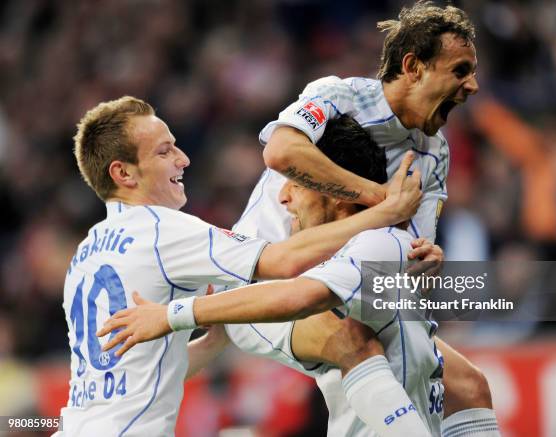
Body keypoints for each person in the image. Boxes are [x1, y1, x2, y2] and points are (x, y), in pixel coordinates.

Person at [56, 96, 422, 436]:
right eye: (165, 151)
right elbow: (283, 262)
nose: (183, 159)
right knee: (354, 340)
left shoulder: (86, 253)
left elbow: (141, 371)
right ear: (124, 174)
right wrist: (385, 211)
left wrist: (215, 342)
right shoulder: (159, 229)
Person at [230, 2, 500, 436]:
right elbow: (280, 152)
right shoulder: (339, 97)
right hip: (261, 285)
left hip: (340, 290)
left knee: (468, 385)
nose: (473, 85)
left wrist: (426, 262)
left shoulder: (435, 154)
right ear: (413, 66)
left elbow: (407, 262)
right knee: (357, 344)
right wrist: (379, 201)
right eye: (460, 70)